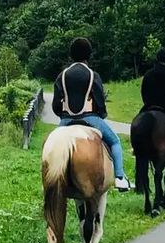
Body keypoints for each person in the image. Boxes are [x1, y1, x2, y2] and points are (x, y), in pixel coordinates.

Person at [52, 37, 131, 192]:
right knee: (115, 141)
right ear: (88, 55)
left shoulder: (62, 75)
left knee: (51, 143)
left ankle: (48, 179)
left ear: (71, 54)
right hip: (90, 117)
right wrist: (101, 113)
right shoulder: (92, 75)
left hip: (66, 120)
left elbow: (55, 104)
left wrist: (63, 115)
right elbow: (100, 101)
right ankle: (120, 178)